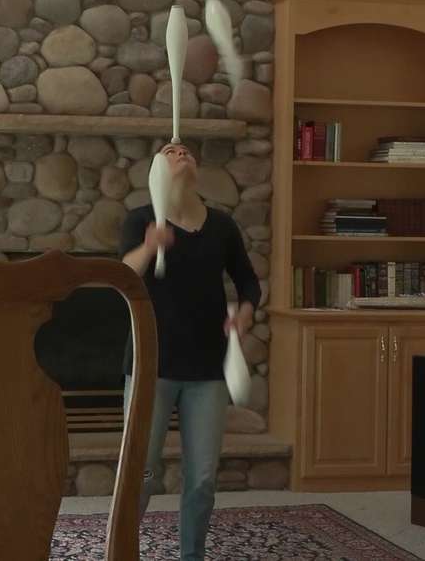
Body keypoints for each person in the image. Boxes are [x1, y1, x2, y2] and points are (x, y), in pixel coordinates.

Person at [120, 141, 261, 561]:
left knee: (202, 479)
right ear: (155, 170)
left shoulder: (221, 226)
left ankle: (191, 556)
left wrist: (246, 313)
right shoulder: (142, 220)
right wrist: (149, 245)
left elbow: (248, 282)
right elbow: (123, 278)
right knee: (141, 474)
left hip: (208, 369)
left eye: (186, 152)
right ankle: (122, 549)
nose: (181, 153)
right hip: (151, 366)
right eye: (170, 151)